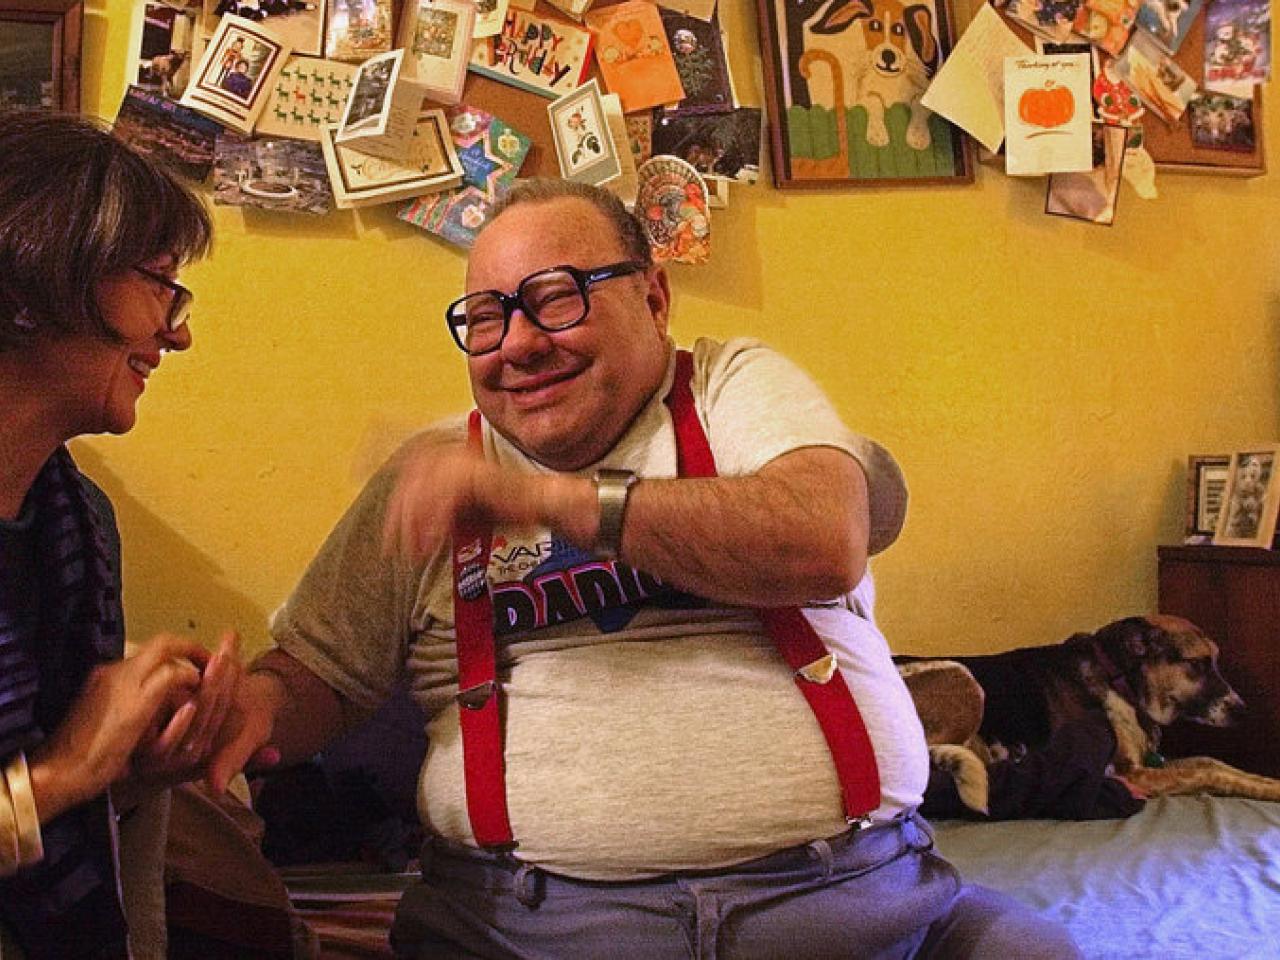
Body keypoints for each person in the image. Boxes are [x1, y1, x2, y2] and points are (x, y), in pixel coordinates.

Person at [211, 178, 1082, 959]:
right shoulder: (431, 469)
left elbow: (822, 537)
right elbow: (321, 669)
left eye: (556, 300)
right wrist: (245, 711)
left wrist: (559, 502)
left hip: (848, 907)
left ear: (655, 298)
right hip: (525, 930)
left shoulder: (736, 388)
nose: (516, 343)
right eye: (484, 316)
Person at [0, 112, 249, 960]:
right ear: (37, 283)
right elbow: (45, 785)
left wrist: (134, 771)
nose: (177, 332)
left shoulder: (78, 524)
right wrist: (63, 772)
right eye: (158, 286)